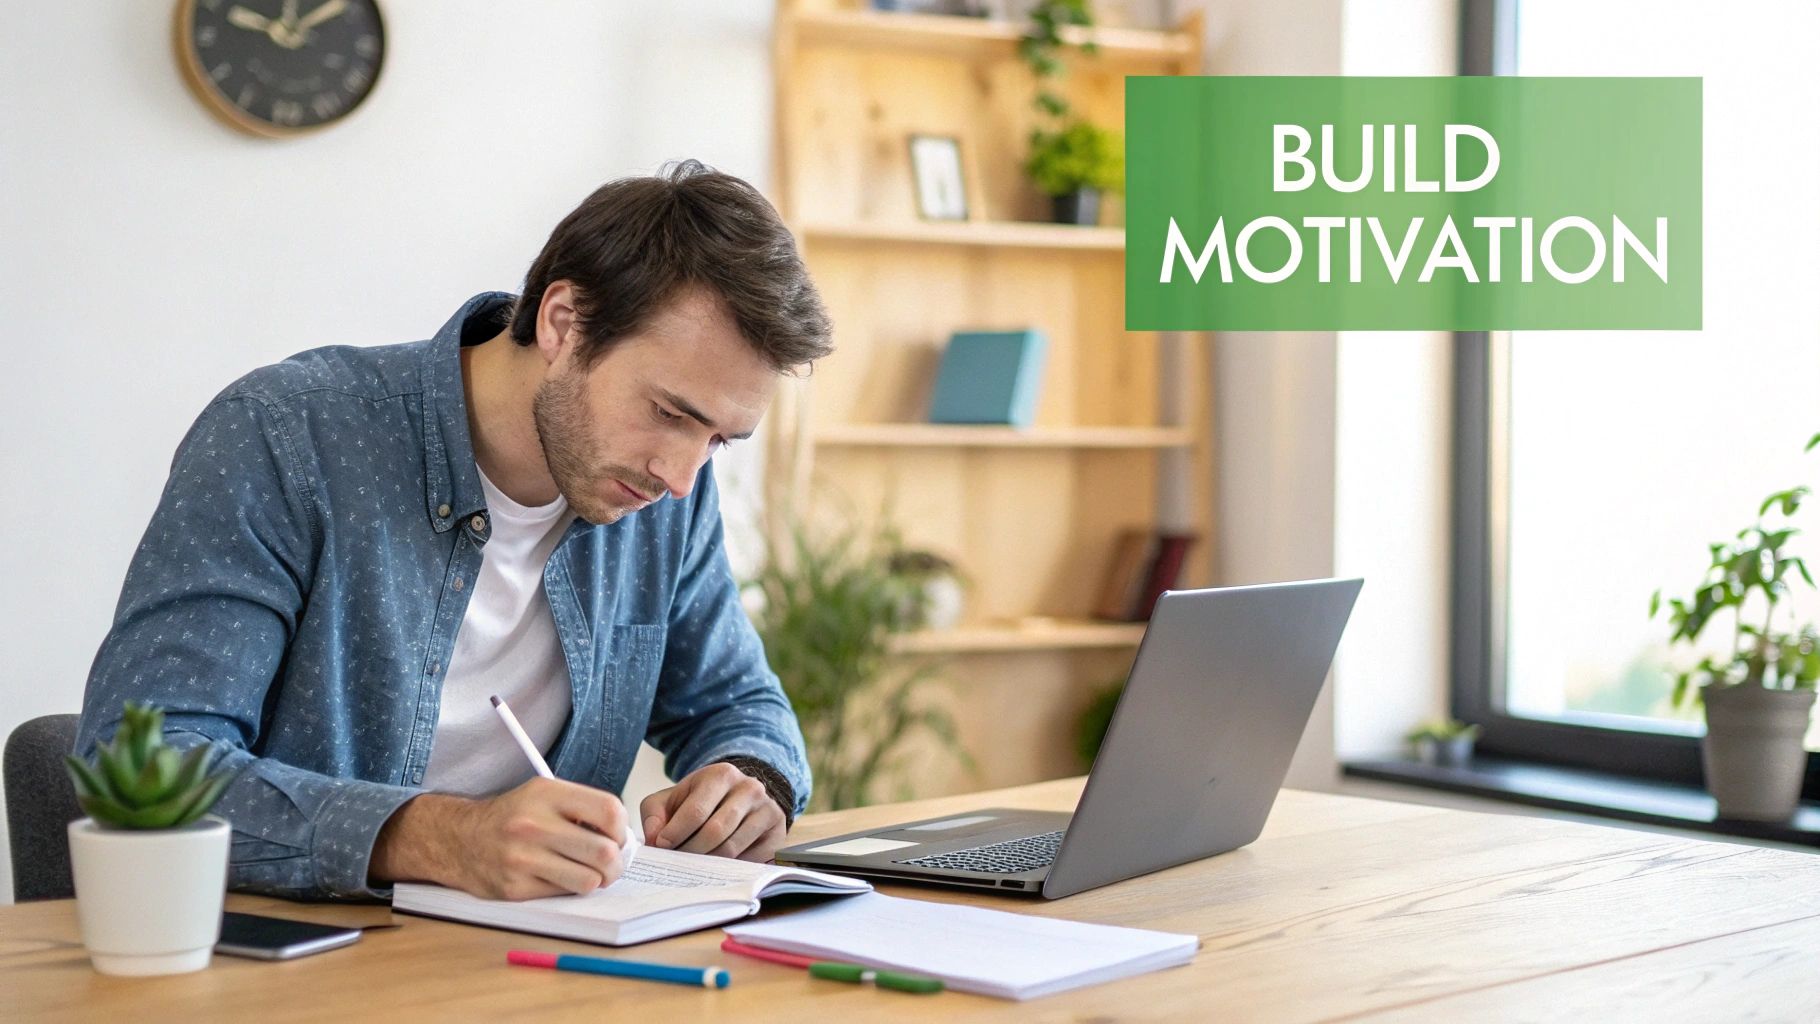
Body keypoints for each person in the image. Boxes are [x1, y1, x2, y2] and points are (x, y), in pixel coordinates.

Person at [74, 160, 833, 902]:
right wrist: (443, 839)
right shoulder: (285, 437)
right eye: (671, 414)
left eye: (718, 441)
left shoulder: (664, 496)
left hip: (543, 961)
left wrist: (748, 783)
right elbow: (143, 765)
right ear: (563, 322)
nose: (680, 475)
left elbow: (737, 705)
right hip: (294, 966)